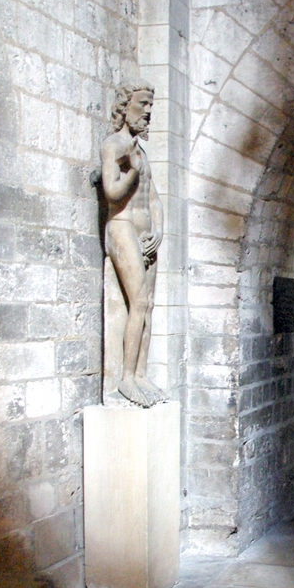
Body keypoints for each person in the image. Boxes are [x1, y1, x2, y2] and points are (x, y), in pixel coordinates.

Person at [101, 80, 165, 407]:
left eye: (151, 106)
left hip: (144, 234)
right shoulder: (115, 145)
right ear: (126, 107)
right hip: (122, 226)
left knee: (148, 304)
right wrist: (131, 174)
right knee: (138, 301)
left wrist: (160, 232)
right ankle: (124, 378)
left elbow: (154, 199)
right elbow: (112, 193)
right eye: (143, 104)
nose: (148, 112)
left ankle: (140, 374)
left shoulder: (141, 153)